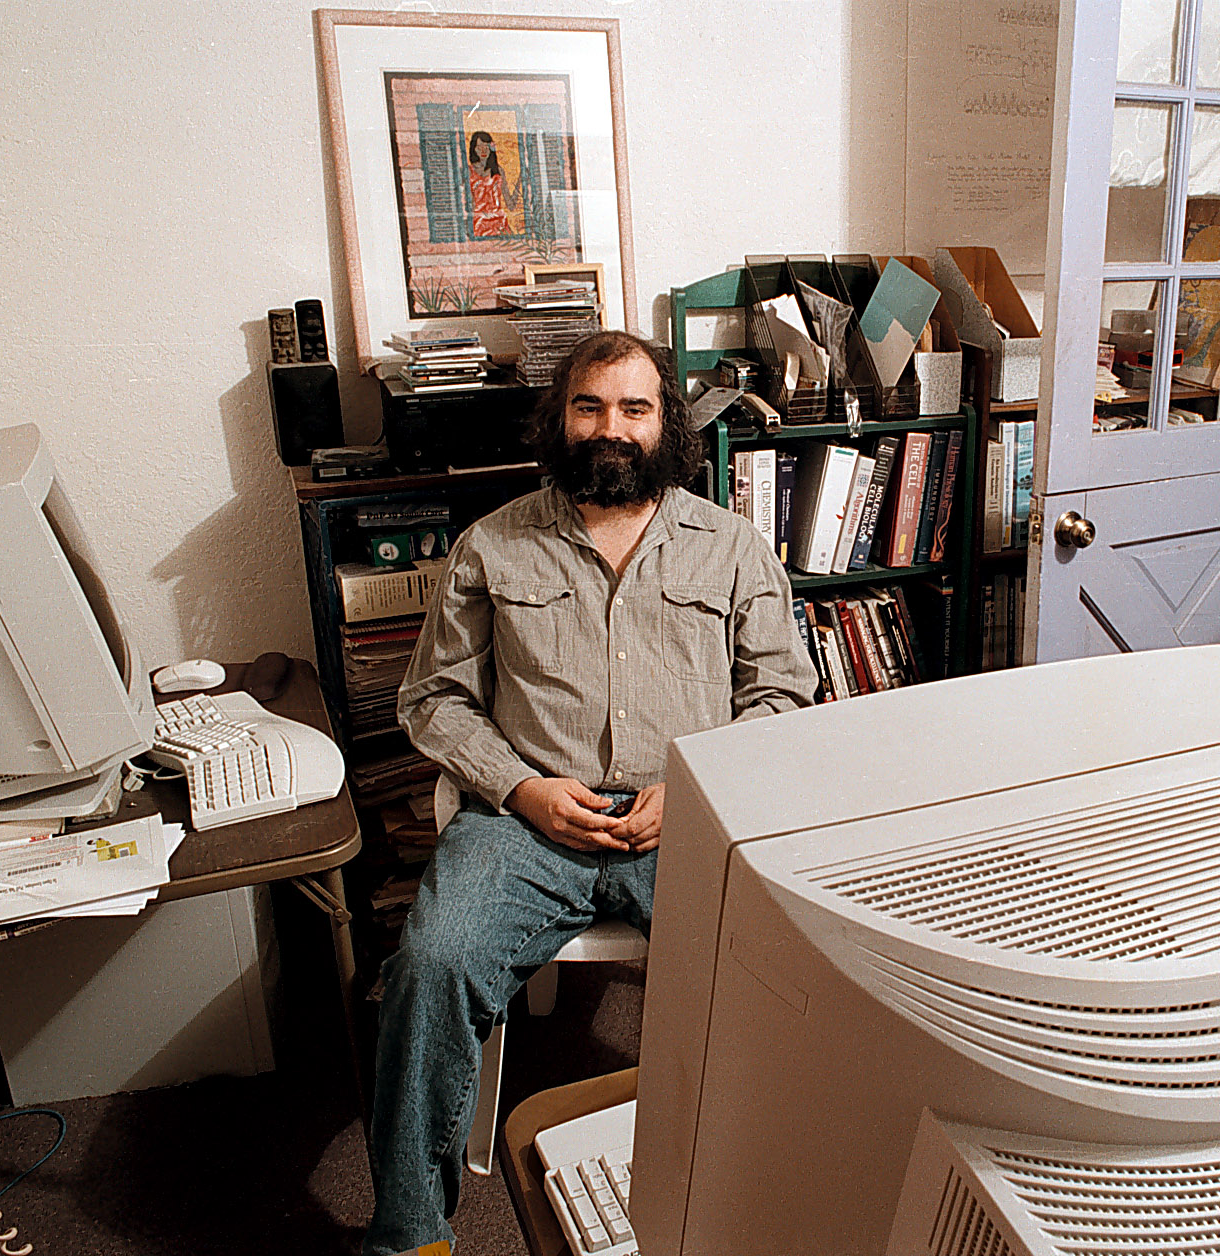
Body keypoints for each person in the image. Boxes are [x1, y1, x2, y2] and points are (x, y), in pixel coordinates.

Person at [364, 330, 819, 1256]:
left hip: (691, 821)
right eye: (590, 405)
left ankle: (774, 1193)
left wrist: (693, 790)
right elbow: (434, 700)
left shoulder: (733, 547)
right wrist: (522, 789)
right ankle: (411, 1234)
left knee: (795, 964)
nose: (611, 427)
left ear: (666, 424)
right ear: (559, 419)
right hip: (526, 824)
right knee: (433, 962)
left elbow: (782, 697)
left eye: (634, 407)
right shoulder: (491, 546)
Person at [466, 130, 517, 237]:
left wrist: (520, 181)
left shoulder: (498, 171)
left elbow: (511, 205)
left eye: (486, 146)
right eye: (479, 147)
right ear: (474, 149)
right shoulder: (468, 172)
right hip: (479, 225)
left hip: (499, 224)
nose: (483, 150)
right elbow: (468, 206)